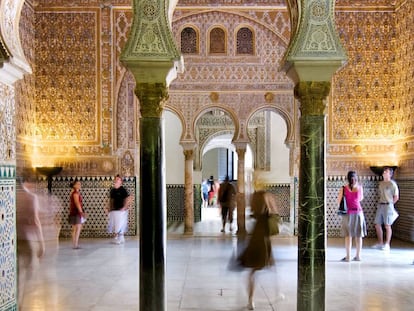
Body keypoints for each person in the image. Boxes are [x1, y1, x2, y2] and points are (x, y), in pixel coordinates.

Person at [237, 189, 278, 310]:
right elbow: (274, 214)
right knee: (269, 267)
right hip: (263, 241)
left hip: (256, 239)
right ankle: (276, 293)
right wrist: (269, 199)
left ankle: (251, 300)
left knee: (253, 272)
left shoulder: (256, 210)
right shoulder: (266, 212)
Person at [16, 177, 45, 305]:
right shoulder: (31, 197)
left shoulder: (13, 197)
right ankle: (18, 301)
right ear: (26, 183)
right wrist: (41, 242)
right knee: (24, 272)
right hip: (26, 239)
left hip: (13, 238)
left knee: (18, 271)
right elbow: (36, 219)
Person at [337, 171, 367, 262]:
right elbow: (360, 199)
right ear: (356, 178)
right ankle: (358, 256)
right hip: (358, 213)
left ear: (348, 178)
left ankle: (348, 257)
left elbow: (339, 201)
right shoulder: (360, 188)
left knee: (348, 236)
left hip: (348, 214)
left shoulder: (343, 188)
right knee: (358, 236)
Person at [373, 166, 399, 251]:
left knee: (387, 225)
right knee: (377, 224)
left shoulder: (392, 184)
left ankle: (387, 244)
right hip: (381, 204)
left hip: (388, 205)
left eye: (386, 172)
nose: (384, 173)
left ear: (390, 174)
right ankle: (380, 243)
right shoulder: (381, 184)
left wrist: (390, 204)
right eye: (384, 172)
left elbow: (396, 197)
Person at [107, 174, 132, 244]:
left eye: (118, 179)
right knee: (115, 224)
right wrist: (109, 208)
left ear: (121, 181)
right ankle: (119, 238)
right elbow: (110, 200)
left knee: (120, 224)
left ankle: (120, 238)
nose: (117, 180)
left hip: (121, 210)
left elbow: (128, 198)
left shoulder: (123, 189)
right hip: (114, 210)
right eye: (116, 179)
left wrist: (125, 207)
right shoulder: (112, 190)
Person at [68, 180, 85, 249]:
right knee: (77, 228)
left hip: (75, 212)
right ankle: (75, 244)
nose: (79, 185)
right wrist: (81, 212)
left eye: (80, 184)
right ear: (74, 185)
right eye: (78, 184)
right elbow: (77, 203)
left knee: (76, 228)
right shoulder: (75, 193)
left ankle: (75, 244)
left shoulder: (75, 193)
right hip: (76, 213)